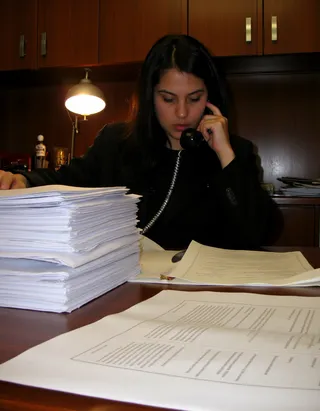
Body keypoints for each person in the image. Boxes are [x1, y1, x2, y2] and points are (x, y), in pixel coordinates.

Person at [0, 35, 280, 250]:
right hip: (129, 290)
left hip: (203, 295)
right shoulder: (117, 143)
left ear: (211, 100)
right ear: (150, 97)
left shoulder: (234, 152)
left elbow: (260, 233)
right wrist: (24, 181)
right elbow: (68, 180)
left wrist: (225, 157)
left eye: (194, 99)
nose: (182, 113)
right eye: (168, 99)